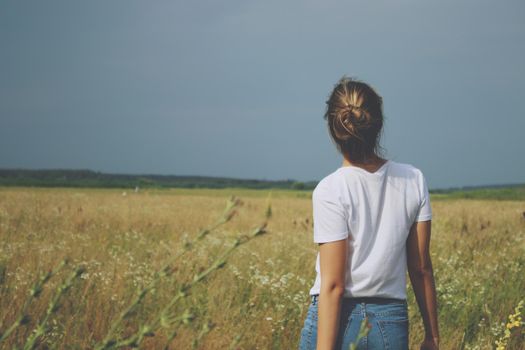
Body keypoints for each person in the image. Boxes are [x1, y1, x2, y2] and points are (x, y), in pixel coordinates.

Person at [298, 77, 439, 350]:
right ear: (378, 124)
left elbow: (334, 286)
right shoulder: (413, 179)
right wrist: (432, 337)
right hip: (390, 319)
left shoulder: (330, 189)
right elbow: (421, 268)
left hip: (335, 319)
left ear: (333, 128)